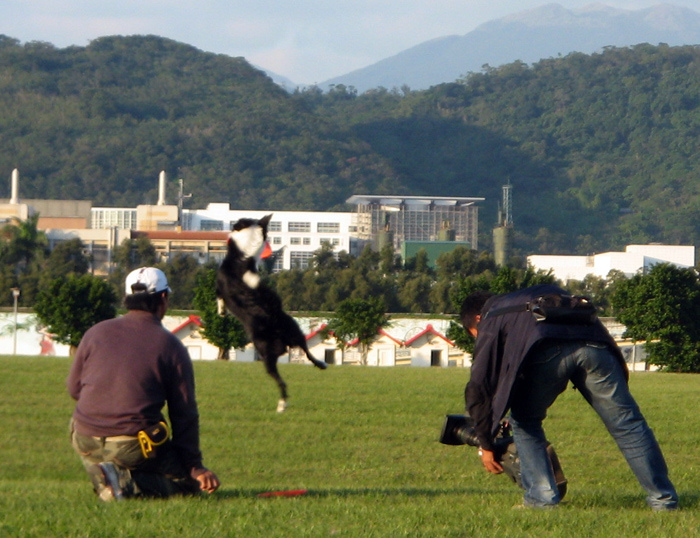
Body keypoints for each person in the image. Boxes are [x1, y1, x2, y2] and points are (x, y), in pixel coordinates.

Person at [461, 284, 678, 510]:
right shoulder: (536, 295)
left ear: (477, 319)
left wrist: (486, 443)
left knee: (525, 421)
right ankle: (663, 499)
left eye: (474, 334)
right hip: (597, 348)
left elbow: (480, 383)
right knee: (628, 424)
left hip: (547, 350)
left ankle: (541, 499)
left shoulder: (492, 314)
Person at [67, 267, 220, 501]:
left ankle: (107, 473)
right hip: (132, 445)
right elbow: (184, 413)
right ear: (163, 298)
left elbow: (74, 389)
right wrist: (194, 467)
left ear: (127, 298)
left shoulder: (95, 333)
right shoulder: (170, 346)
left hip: (84, 438)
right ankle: (124, 485)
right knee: (186, 489)